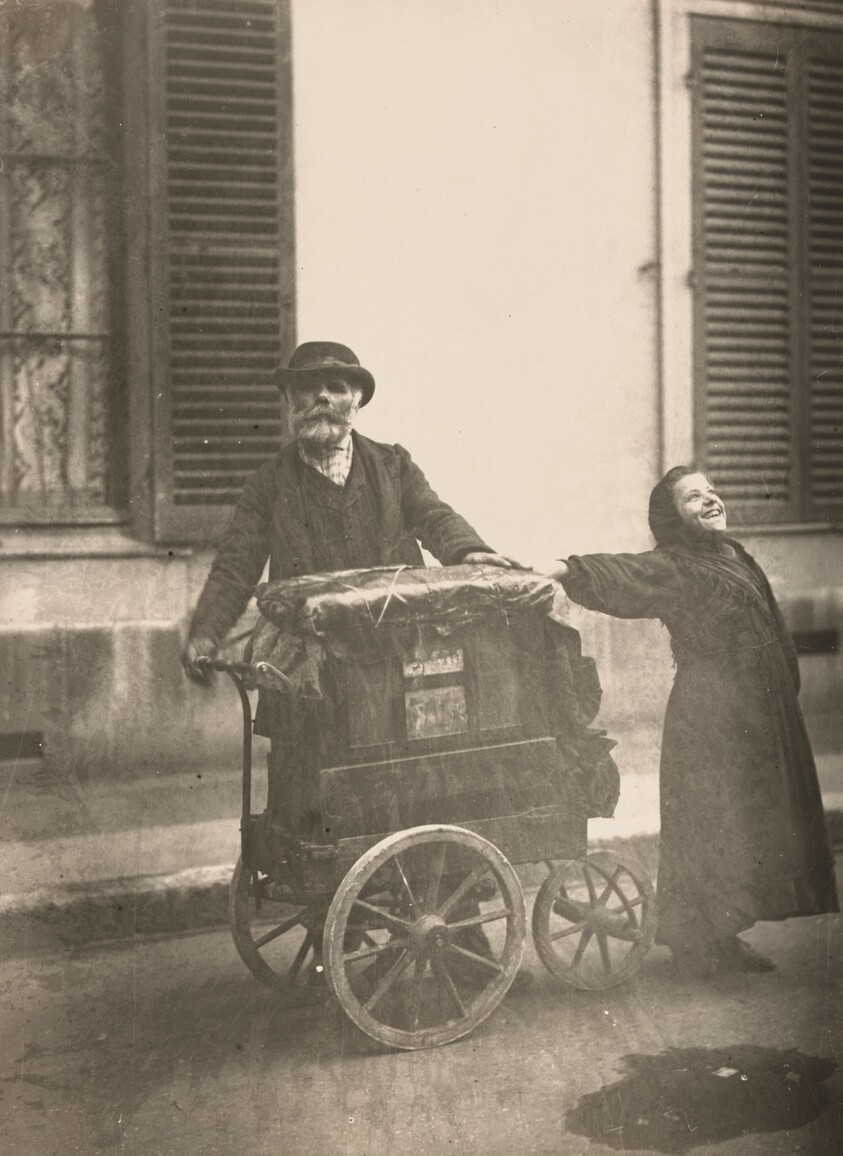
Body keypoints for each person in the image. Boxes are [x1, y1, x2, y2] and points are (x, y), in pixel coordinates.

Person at [181, 340, 518, 830]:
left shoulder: (393, 466)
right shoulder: (268, 485)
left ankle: (415, 874)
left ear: (355, 400)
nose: (321, 397)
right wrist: (206, 632)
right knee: (310, 792)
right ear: (289, 402)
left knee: (405, 775)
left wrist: (469, 551)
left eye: (335, 387)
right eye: (306, 388)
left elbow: (434, 515)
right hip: (308, 665)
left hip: (393, 655)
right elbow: (235, 566)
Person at [549, 466, 838, 976]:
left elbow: (774, 625)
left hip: (757, 715)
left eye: (710, 492)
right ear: (672, 519)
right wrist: (565, 569)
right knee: (711, 827)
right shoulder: (677, 568)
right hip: (710, 720)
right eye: (692, 499)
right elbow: (625, 572)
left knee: (746, 828)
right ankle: (696, 945)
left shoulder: (737, 557)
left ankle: (725, 937)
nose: (710, 501)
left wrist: (783, 697)